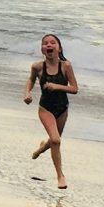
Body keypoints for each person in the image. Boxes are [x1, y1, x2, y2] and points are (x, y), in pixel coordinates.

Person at [23, 34, 78, 189]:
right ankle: (60, 176)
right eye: (45, 43)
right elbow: (31, 80)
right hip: (45, 108)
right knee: (55, 140)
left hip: (62, 108)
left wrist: (57, 86)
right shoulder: (37, 67)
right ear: (42, 49)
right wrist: (27, 93)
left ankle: (41, 148)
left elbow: (74, 89)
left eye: (53, 43)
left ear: (59, 48)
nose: (49, 45)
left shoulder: (66, 66)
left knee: (54, 141)